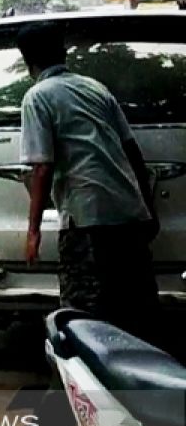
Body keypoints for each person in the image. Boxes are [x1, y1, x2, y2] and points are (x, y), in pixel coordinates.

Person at [18, 22, 162, 342]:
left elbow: (41, 168)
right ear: (63, 53)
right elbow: (131, 150)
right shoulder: (95, 88)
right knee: (138, 308)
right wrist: (148, 208)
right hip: (130, 214)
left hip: (87, 221)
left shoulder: (37, 97)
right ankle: (143, 379)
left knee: (85, 315)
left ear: (28, 61)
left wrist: (33, 231)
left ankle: (95, 385)